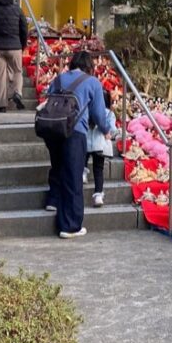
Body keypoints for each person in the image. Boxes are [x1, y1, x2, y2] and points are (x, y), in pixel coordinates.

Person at [43, 51, 114, 238]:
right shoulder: (92, 83)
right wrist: (106, 130)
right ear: (90, 66)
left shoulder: (58, 79)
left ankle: (53, 200)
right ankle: (70, 226)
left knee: (58, 167)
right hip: (74, 132)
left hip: (52, 130)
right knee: (73, 177)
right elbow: (99, 114)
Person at [85, 87, 116, 207]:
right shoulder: (108, 113)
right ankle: (98, 195)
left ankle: (83, 173)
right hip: (100, 145)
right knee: (98, 169)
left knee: (83, 160)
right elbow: (112, 129)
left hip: (86, 142)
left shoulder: (88, 110)